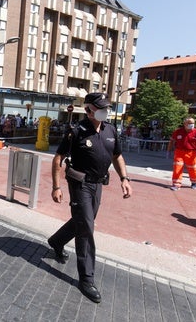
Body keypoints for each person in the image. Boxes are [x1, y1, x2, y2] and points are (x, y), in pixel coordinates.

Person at [48, 92, 133, 304]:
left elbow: (117, 156)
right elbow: (58, 158)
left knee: (83, 221)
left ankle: (56, 241)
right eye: (100, 108)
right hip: (79, 184)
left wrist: (124, 178)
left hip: (98, 184)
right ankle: (86, 278)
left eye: (106, 107)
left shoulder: (111, 130)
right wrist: (56, 187)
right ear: (88, 110)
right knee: (86, 227)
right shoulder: (76, 131)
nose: (105, 111)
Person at [166, 117, 196, 191]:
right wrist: (168, 151)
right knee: (177, 168)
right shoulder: (178, 132)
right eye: (190, 123)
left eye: (193, 123)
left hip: (192, 153)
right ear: (184, 124)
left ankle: (194, 182)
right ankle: (176, 184)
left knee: (192, 168)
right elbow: (172, 141)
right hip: (179, 152)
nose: (192, 125)